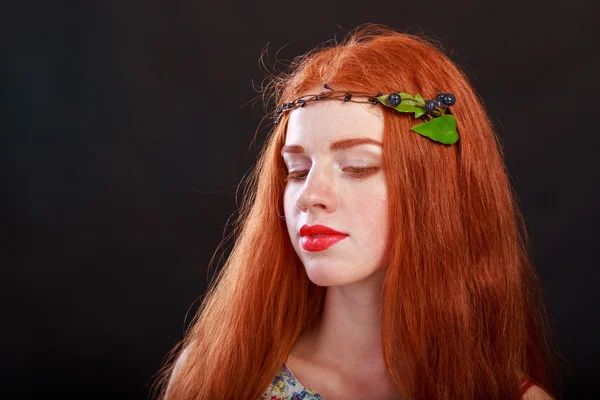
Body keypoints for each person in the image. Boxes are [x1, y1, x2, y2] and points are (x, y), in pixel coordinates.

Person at [154, 23, 563, 399]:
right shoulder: (219, 376)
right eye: (296, 171)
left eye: (358, 167)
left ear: (436, 190)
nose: (309, 195)